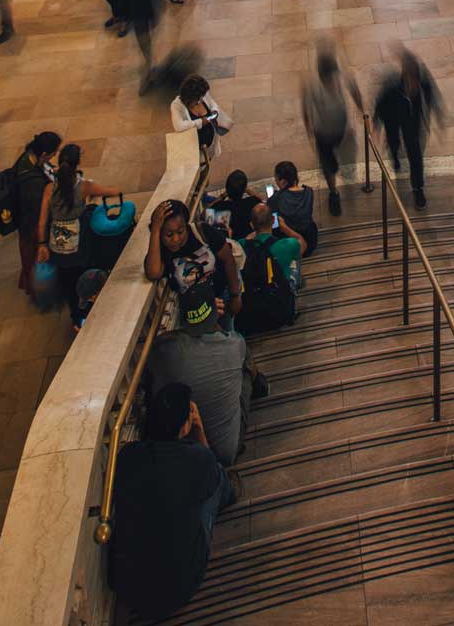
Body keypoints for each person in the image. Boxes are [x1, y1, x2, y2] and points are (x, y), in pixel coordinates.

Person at [108, 381, 233, 619]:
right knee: (218, 484)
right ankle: (232, 487)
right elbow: (207, 465)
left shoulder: (127, 457)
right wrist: (200, 433)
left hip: (129, 588)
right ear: (184, 427)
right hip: (180, 587)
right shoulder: (196, 460)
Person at [151, 286, 261, 468]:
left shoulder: (166, 349)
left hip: (188, 447)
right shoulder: (235, 343)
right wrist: (215, 320)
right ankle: (260, 386)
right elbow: (223, 335)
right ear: (214, 311)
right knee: (245, 368)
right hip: (227, 450)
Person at [35, 141, 119, 325]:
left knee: (68, 283)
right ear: (77, 163)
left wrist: (42, 245)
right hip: (80, 245)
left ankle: (76, 317)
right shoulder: (84, 187)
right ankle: (90, 311)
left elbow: (41, 222)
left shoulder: (50, 189)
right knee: (86, 279)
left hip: (57, 247)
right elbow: (111, 192)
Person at [373, 48, 442, 209]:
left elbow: (432, 95)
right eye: (411, 82)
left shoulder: (422, 82)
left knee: (415, 156)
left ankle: (418, 188)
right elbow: (380, 104)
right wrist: (376, 123)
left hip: (412, 123)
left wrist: (436, 115)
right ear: (404, 77)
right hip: (393, 119)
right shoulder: (392, 87)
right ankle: (395, 155)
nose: (414, 86)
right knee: (393, 141)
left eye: (416, 82)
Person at [301, 43, 362, 215]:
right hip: (323, 134)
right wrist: (310, 132)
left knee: (346, 162)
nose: (331, 81)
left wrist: (362, 111)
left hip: (342, 130)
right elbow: (306, 110)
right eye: (327, 78)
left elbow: (355, 92)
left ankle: (344, 182)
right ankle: (334, 193)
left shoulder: (342, 78)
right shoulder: (312, 86)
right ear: (321, 75)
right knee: (328, 167)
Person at [11, 131, 61, 301]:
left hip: (25, 222)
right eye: (54, 153)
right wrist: (42, 242)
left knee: (29, 260)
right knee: (35, 260)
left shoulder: (28, 157)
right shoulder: (32, 184)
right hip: (30, 227)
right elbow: (40, 215)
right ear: (45, 154)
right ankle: (37, 292)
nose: (55, 155)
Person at [269, 160, 318, 255]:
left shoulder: (276, 198)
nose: (275, 181)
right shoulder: (309, 192)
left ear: (283, 181)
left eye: (276, 178)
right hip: (310, 241)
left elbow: (274, 225)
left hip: (290, 245)